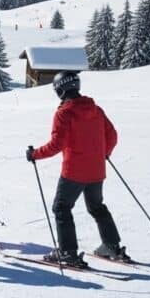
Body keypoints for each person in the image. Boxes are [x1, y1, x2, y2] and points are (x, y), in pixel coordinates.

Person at [27, 71, 128, 267]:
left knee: (62, 208)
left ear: (60, 89)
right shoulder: (96, 110)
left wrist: (34, 154)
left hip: (73, 172)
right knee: (97, 207)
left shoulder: (64, 112)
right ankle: (112, 246)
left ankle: (67, 253)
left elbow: (56, 144)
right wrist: (103, 153)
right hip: (97, 170)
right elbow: (112, 135)